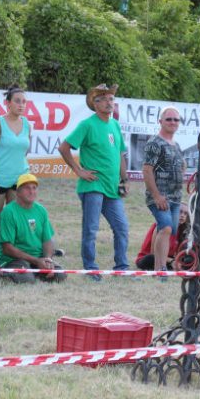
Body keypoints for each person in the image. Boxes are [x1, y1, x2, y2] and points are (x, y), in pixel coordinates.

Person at [58, 83, 130, 281]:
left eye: (111, 99)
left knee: (122, 227)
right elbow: (64, 148)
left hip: (112, 187)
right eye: (104, 99)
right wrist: (78, 170)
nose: (109, 103)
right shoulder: (87, 125)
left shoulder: (115, 125)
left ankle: (122, 268)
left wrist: (124, 179)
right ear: (95, 104)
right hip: (93, 185)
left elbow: (120, 154)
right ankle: (90, 268)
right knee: (91, 229)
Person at [0, 87, 31, 267]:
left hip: (19, 180)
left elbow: (24, 151)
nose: (21, 105)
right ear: (8, 103)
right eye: (17, 101)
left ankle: (12, 261)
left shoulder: (27, 124)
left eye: (24, 101)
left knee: (15, 221)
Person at [0, 173, 66, 284]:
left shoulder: (41, 210)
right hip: (14, 259)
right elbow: (7, 248)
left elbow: (47, 240)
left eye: (34, 188)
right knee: (27, 279)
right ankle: (4, 271)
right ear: (18, 192)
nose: (31, 191)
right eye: (27, 188)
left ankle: (37, 272)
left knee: (60, 275)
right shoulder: (8, 212)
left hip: (38, 258)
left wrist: (48, 260)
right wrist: (36, 261)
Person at [142, 107, 185, 272]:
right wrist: (156, 195)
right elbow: (147, 170)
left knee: (168, 230)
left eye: (176, 119)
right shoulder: (154, 143)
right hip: (160, 197)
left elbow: (181, 166)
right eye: (169, 119)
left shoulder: (176, 145)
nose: (173, 122)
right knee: (166, 227)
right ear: (160, 121)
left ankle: (160, 267)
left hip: (175, 197)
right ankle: (160, 268)